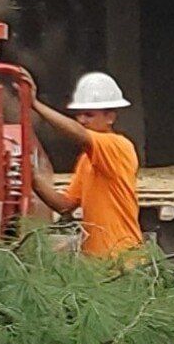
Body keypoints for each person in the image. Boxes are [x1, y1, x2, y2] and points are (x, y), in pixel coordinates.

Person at [30, 69, 145, 260]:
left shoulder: (118, 146)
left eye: (89, 115)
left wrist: (36, 105)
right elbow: (65, 206)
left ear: (110, 117)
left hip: (122, 259)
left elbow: (79, 134)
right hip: (96, 263)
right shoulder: (88, 159)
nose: (82, 120)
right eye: (79, 115)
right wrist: (34, 178)